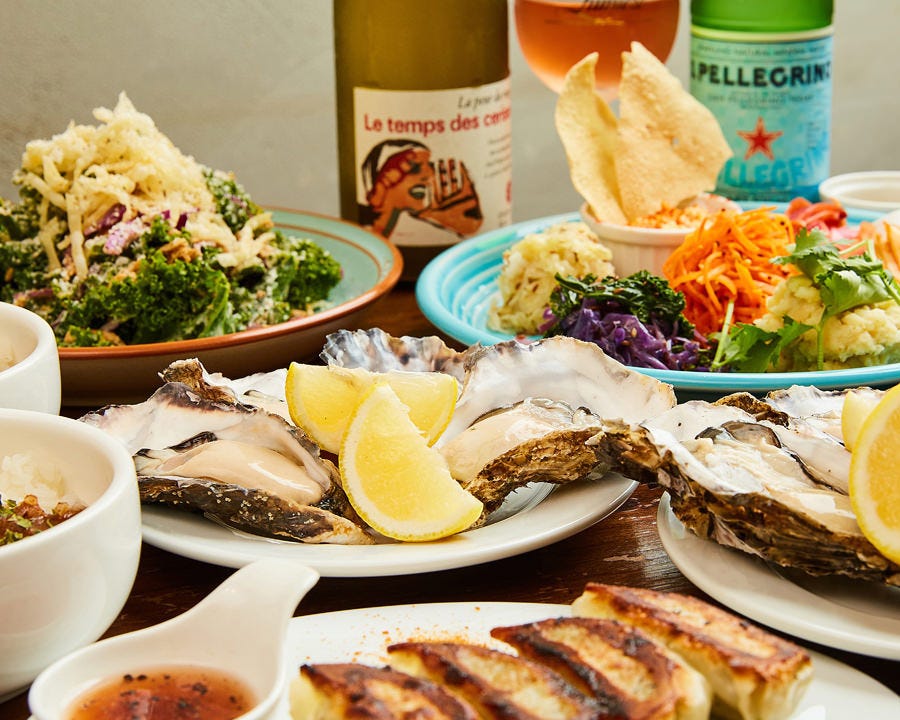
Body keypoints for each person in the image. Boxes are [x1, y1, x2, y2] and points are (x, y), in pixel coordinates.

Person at [359, 139, 483, 240]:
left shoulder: (430, 225)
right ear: (378, 188)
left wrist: (468, 223)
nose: (429, 175)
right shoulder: (356, 233)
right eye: (414, 169)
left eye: (429, 166)